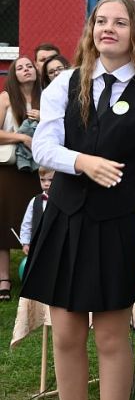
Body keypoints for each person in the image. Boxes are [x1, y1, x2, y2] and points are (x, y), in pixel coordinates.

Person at [21, 0, 135, 400]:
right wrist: (82, 162)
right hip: (65, 221)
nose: (108, 28)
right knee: (65, 334)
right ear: (91, 30)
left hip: (117, 227)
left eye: (120, 22)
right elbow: (43, 147)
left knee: (110, 337)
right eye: (100, 21)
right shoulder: (67, 82)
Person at [0, 55, 42, 300]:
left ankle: (38, 274)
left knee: (38, 220)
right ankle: (3, 279)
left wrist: (43, 118)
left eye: (29, 66)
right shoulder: (5, 98)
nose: (26, 70)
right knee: (4, 221)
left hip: (39, 171)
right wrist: (23, 137)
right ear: (13, 75)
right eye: (20, 68)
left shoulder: (46, 97)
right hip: (9, 170)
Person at [19, 166, 54, 255]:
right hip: (37, 242)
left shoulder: (63, 201)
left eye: (50, 180)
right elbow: (27, 223)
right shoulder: (35, 201)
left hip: (56, 241)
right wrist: (26, 242)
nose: (46, 184)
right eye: (42, 180)